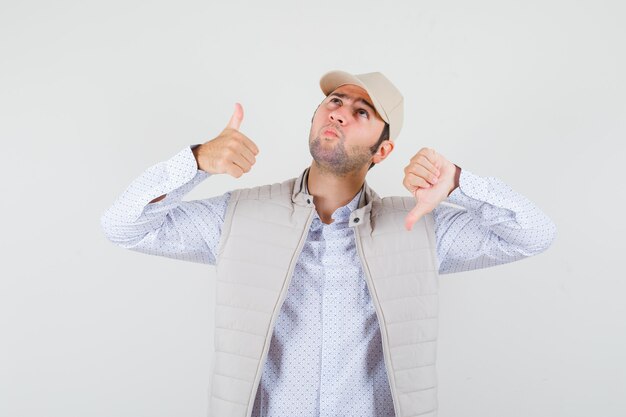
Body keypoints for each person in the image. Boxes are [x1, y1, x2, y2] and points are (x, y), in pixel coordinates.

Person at [101, 70, 557, 417]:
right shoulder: (240, 215)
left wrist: (458, 183)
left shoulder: (416, 226)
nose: (339, 111)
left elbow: (534, 234)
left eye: (361, 112)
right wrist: (195, 162)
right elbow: (124, 225)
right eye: (334, 101)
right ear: (317, 118)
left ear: (382, 151)